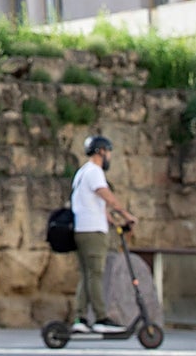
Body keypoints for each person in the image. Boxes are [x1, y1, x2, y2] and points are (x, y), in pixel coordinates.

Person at [69, 135, 136, 334]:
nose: (109, 157)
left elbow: (95, 204)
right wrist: (126, 214)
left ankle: (80, 318)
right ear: (100, 152)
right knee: (96, 274)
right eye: (108, 152)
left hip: (81, 228)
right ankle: (101, 318)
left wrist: (115, 222)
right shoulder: (95, 171)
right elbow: (106, 196)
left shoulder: (81, 173)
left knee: (87, 275)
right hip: (93, 232)